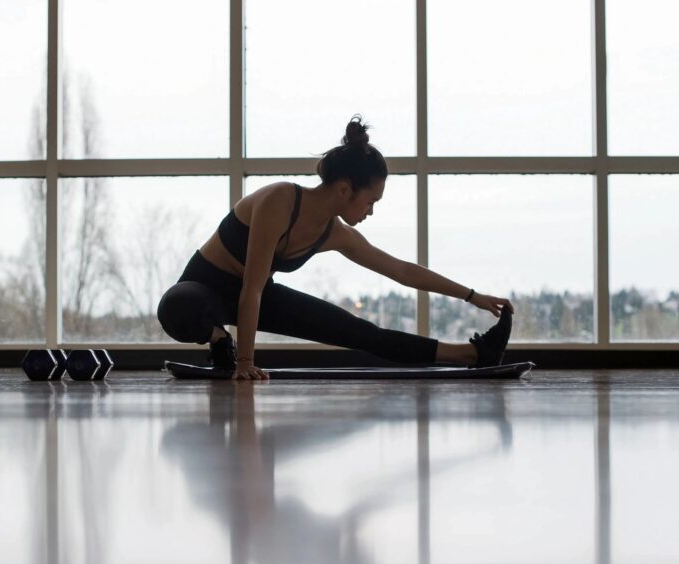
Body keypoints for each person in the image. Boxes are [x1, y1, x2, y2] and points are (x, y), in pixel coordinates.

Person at [157, 116, 514, 381]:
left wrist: (472, 296)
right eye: (370, 201)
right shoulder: (278, 200)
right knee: (176, 305)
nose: (370, 211)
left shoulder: (334, 234)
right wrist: (245, 362)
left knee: (363, 333)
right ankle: (219, 339)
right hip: (205, 293)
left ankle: (471, 353)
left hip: (257, 295)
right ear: (344, 189)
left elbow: (401, 271)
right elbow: (249, 287)